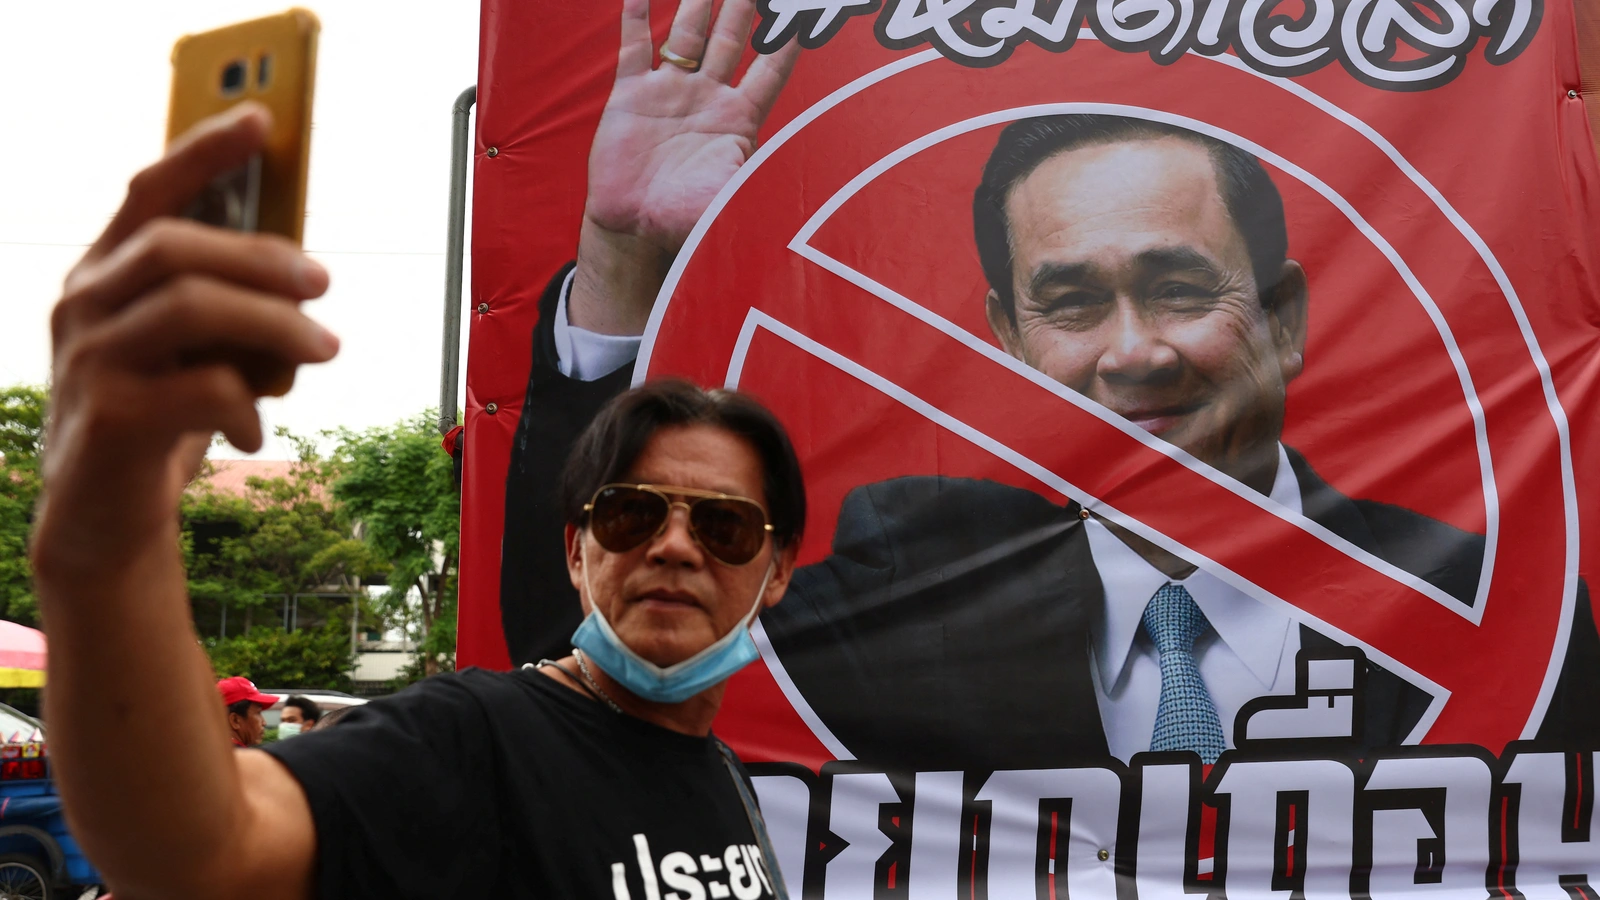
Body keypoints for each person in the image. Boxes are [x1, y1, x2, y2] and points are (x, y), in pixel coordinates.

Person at [498, 1, 1600, 770]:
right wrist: (621, 264)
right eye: (1071, 303)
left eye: (1177, 286)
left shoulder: (1471, 598)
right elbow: (585, 665)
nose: (1132, 353)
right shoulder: (908, 598)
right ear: (1007, 340)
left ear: (1284, 320)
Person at [33, 101, 804, 899]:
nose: (675, 545)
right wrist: (107, 528)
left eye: (723, 525)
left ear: (777, 569)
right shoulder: (473, 740)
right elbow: (193, 851)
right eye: (631, 514)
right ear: (578, 551)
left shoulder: (718, 772)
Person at [218, 677, 279, 749]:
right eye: (258, 713)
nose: (264, 722)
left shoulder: (209, 753)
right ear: (235, 720)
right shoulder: (240, 758)